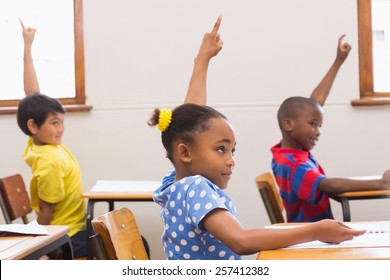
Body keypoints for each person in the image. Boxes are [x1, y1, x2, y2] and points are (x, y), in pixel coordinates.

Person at [148, 17, 365, 260]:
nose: (231, 160)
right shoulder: (194, 188)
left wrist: (202, 60)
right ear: (185, 153)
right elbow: (241, 241)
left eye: (232, 151)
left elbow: (190, 120)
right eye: (221, 150)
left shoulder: (175, 182)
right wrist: (316, 230)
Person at [271, 35, 390, 223]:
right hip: (311, 236)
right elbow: (327, 185)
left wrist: (338, 61)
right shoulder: (292, 164)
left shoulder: (287, 154)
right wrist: (381, 184)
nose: (318, 131)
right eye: (313, 124)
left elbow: (314, 104)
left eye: (319, 125)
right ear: (288, 125)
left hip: (313, 231)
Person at [16, 20, 87, 258]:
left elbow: (32, 95)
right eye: (55, 123)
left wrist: (27, 48)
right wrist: (36, 251)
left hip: (73, 228)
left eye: (61, 122)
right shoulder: (49, 161)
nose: (61, 129)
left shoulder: (40, 145)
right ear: (33, 126)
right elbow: (46, 212)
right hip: (65, 236)